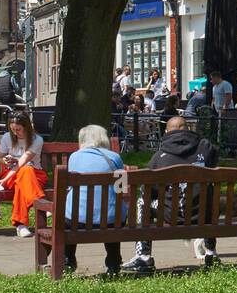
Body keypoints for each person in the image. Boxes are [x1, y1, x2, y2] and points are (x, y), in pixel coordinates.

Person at [123, 115, 220, 274]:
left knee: (142, 202)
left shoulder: (159, 156)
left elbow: (148, 190)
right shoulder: (205, 147)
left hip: (171, 213)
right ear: (188, 128)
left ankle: (143, 255)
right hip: (201, 213)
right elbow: (214, 159)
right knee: (207, 198)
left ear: (167, 132)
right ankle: (211, 252)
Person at [46, 124, 124, 275]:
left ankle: (68, 260)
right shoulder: (114, 157)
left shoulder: (74, 157)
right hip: (110, 221)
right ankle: (113, 262)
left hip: (77, 220)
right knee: (112, 211)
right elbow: (122, 188)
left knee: (69, 215)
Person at [0, 112, 46, 235]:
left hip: (34, 175)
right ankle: (40, 203)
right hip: (10, 174)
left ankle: (21, 225)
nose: (15, 133)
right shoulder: (6, 137)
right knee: (25, 173)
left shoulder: (37, 140)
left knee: (26, 171)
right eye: (12, 129)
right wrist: (4, 160)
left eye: (18, 129)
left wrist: (5, 179)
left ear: (26, 127)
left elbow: (22, 163)